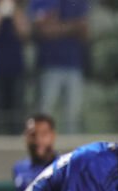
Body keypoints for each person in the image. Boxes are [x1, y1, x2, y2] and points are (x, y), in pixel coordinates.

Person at [29, 0, 90, 134]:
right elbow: (45, 30)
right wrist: (72, 27)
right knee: (45, 113)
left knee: (73, 115)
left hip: (74, 64)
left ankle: (73, 153)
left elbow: (85, 31)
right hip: (49, 65)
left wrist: (58, 27)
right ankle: (42, 150)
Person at [0, 0, 30, 134]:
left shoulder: (19, 13)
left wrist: (14, 11)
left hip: (16, 69)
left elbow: (25, 34)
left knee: (17, 110)